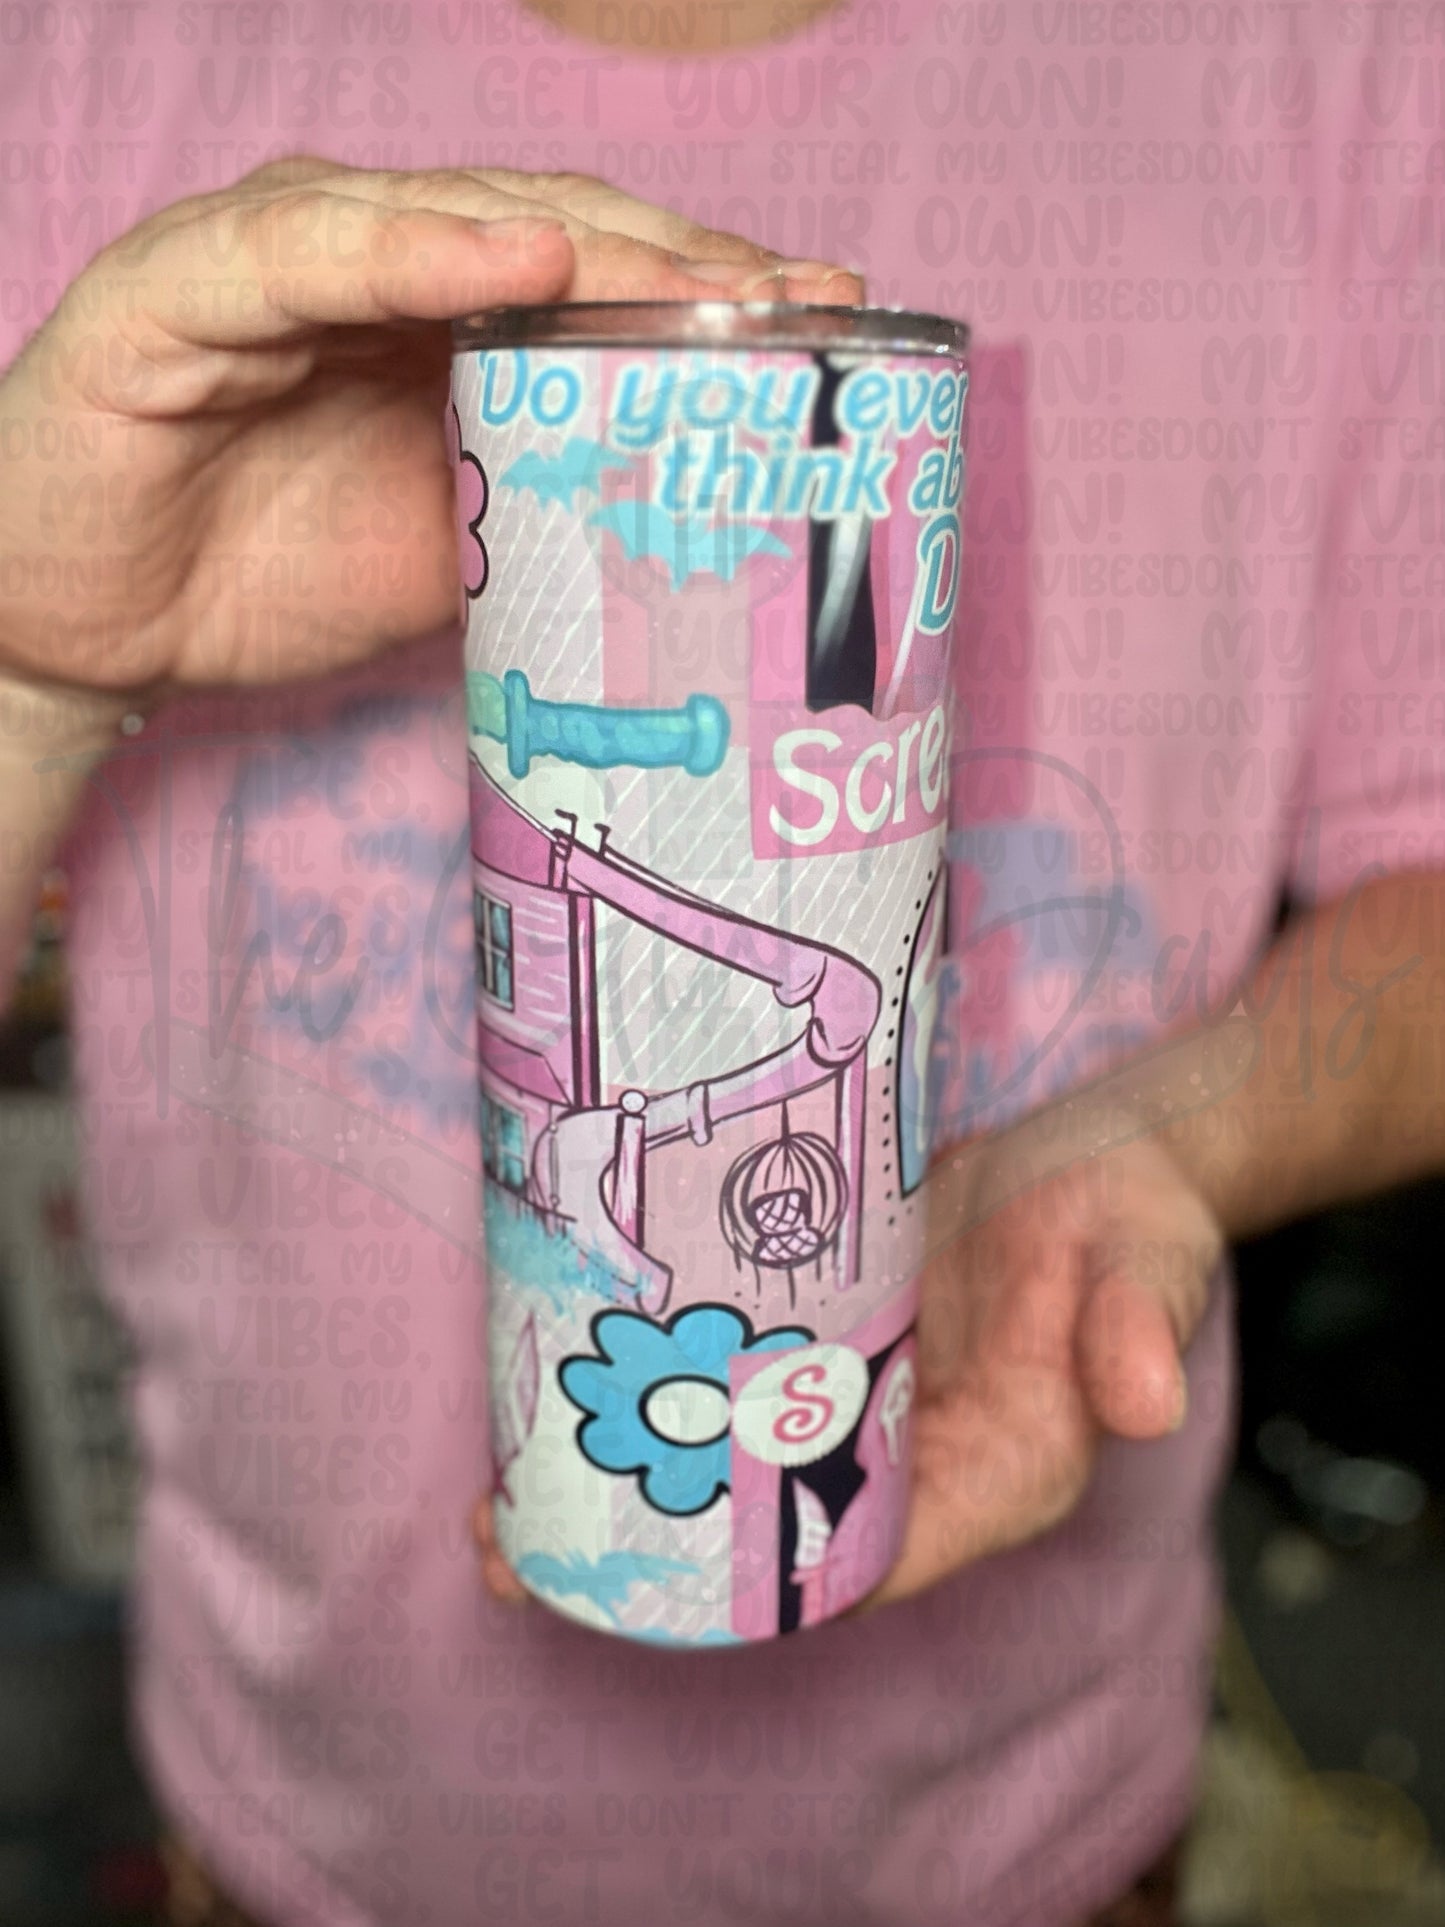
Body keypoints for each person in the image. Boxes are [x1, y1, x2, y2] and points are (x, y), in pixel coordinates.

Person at [1, 2, 1441, 1923]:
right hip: (302, 1829)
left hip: (1026, 1838)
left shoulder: (1341, 52)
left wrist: (1166, 1147)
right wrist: (25, 685)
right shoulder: (67, 54)